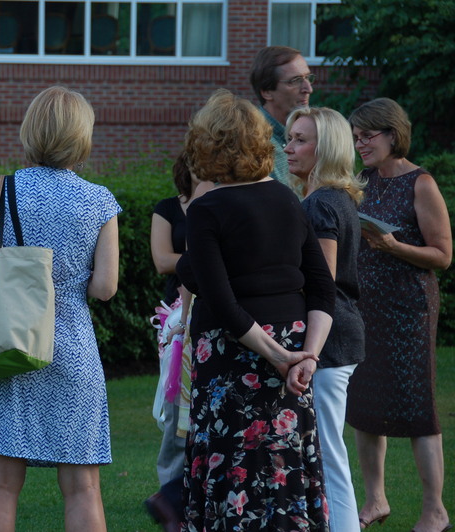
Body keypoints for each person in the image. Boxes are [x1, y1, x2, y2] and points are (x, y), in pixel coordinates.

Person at [175, 88, 335, 531]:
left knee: (234, 471)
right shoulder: (287, 199)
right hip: (291, 351)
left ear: (209, 145)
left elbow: (223, 302)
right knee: (283, 468)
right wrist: (306, 356)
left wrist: (285, 358)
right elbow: (323, 290)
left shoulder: (207, 209)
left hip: (233, 356)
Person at [0, 86, 121, 532]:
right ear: (81, 136)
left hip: (11, 345)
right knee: (82, 488)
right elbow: (105, 288)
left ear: (31, 131)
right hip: (72, 349)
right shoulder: (99, 200)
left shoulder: (1, 190)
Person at [346, 97, 452, 532]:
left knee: (416, 405)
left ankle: (435, 510)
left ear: (392, 134)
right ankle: (376, 500)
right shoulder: (361, 181)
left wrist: (394, 246)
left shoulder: (420, 183)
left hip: (408, 309)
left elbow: (443, 255)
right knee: (365, 405)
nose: (360, 144)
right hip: (364, 308)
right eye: (355, 137)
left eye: (367, 136)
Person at [284, 106, 366, 532]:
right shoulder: (337, 199)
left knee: (328, 455)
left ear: (327, 148)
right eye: (289, 137)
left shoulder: (319, 205)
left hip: (329, 342)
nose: (288, 147)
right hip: (340, 336)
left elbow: (322, 284)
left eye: (300, 140)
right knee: (325, 452)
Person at [145, 152, 213, 532]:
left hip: (208, 307)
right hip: (176, 317)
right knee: (175, 409)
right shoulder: (168, 208)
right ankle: (169, 489)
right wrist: (203, 255)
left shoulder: (220, 199)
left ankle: (188, 492)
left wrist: (196, 255)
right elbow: (161, 260)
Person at [250, 45, 315, 186]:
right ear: (267, 92)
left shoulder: (315, 134)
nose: (308, 89)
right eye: (295, 80)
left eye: (308, 78)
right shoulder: (251, 144)